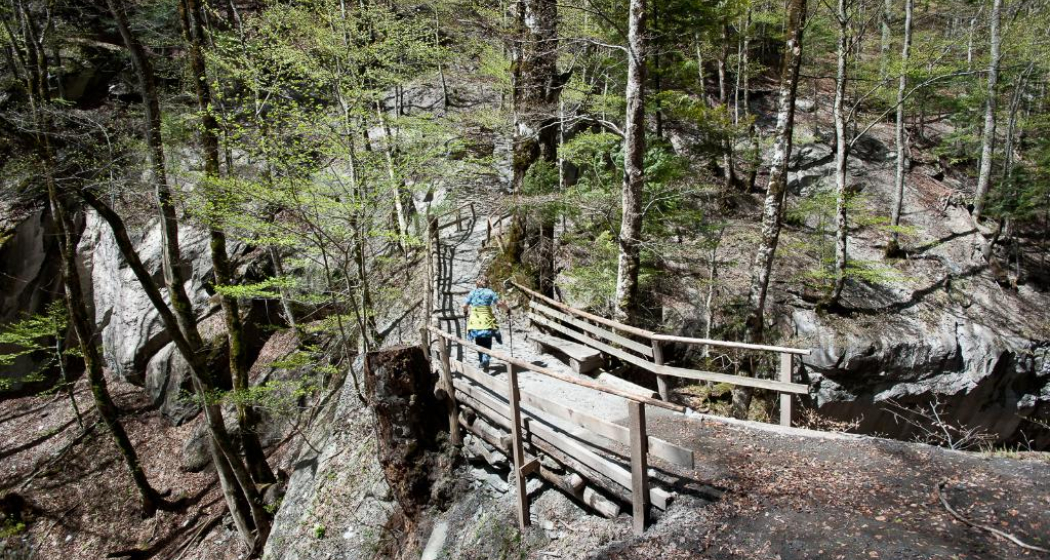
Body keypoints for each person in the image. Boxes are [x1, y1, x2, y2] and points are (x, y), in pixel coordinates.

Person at [462, 277, 510, 372]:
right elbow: (500, 303)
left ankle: (482, 361)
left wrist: (465, 312)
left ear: (477, 283)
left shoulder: (472, 293)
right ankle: (485, 360)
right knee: (487, 343)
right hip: (486, 321)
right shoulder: (490, 292)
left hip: (475, 322)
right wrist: (508, 310)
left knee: (479, 343)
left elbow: (464, 306)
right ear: (487, 283)